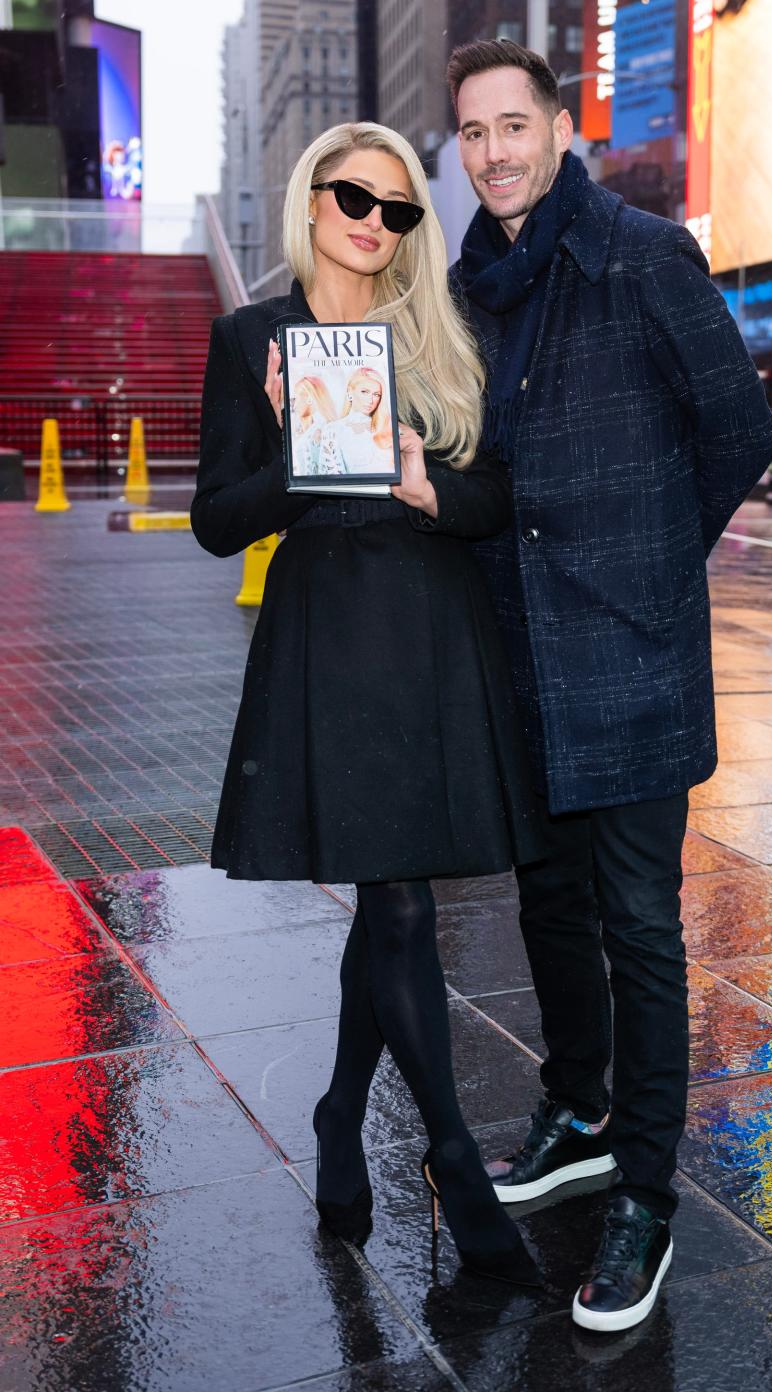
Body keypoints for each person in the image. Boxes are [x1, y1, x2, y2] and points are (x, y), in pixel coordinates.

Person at [445, 39, 772, 1331]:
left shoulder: (640, 255)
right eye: (472, 134)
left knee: (640, 926)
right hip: (518, 657)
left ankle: (644, 1189)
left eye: (514, 125)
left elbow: (737, 430)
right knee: (546, 899)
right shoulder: (471, 283)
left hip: (629, 661)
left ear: (562, 128)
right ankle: (576, 1109)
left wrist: (648, 576)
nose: (495, 153)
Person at [191, 121, 544, 1288]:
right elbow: (215, 520)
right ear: (313, 197)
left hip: (434, 630)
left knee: (393, 904)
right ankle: (452, 1157)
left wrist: (424, 482)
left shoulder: (444, 330)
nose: (375, 223)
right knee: (395, 909)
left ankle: (344, 1113)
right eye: (356, 197)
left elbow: (494, 499)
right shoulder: (251, 336)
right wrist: (300, 448)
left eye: (399, 209)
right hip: (330, 635)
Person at [321, 367, 396, 474]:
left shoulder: (388, 427)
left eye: (376, 394)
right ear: (350, 393)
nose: (371, 400)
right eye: (364, 392)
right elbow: (331, 478)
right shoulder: (333, 430)